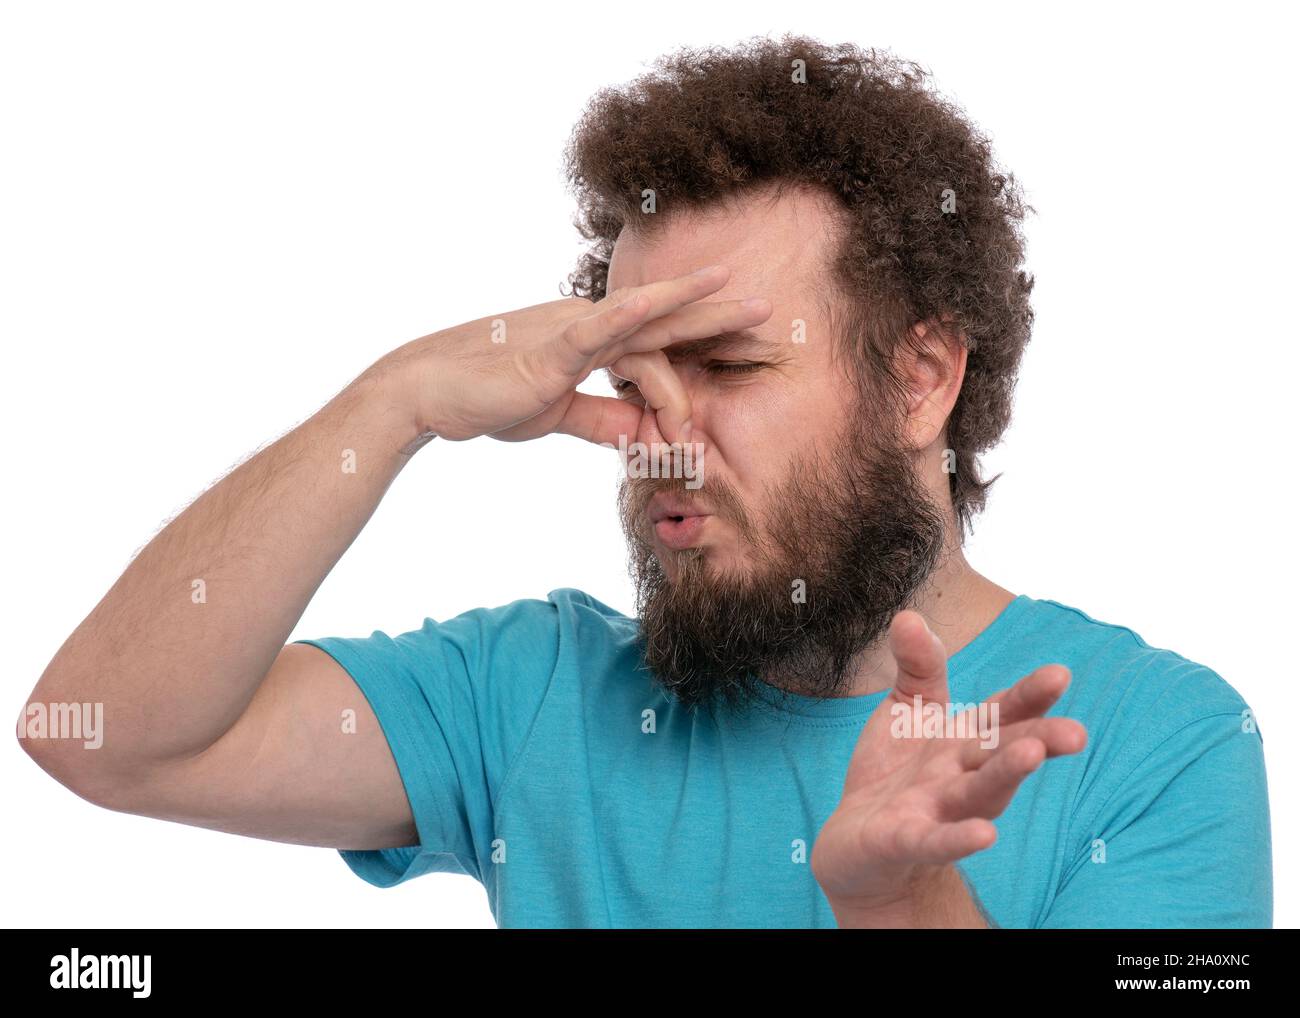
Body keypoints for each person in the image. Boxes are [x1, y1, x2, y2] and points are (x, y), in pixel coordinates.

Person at [18, 35, 1271, 928]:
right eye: (632, 375)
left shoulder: (1161, 742)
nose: (659, 440)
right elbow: (102, 739)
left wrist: (900, 906)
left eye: (726, 364)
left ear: (922, 377)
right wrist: (389, 401)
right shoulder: (524, 696)